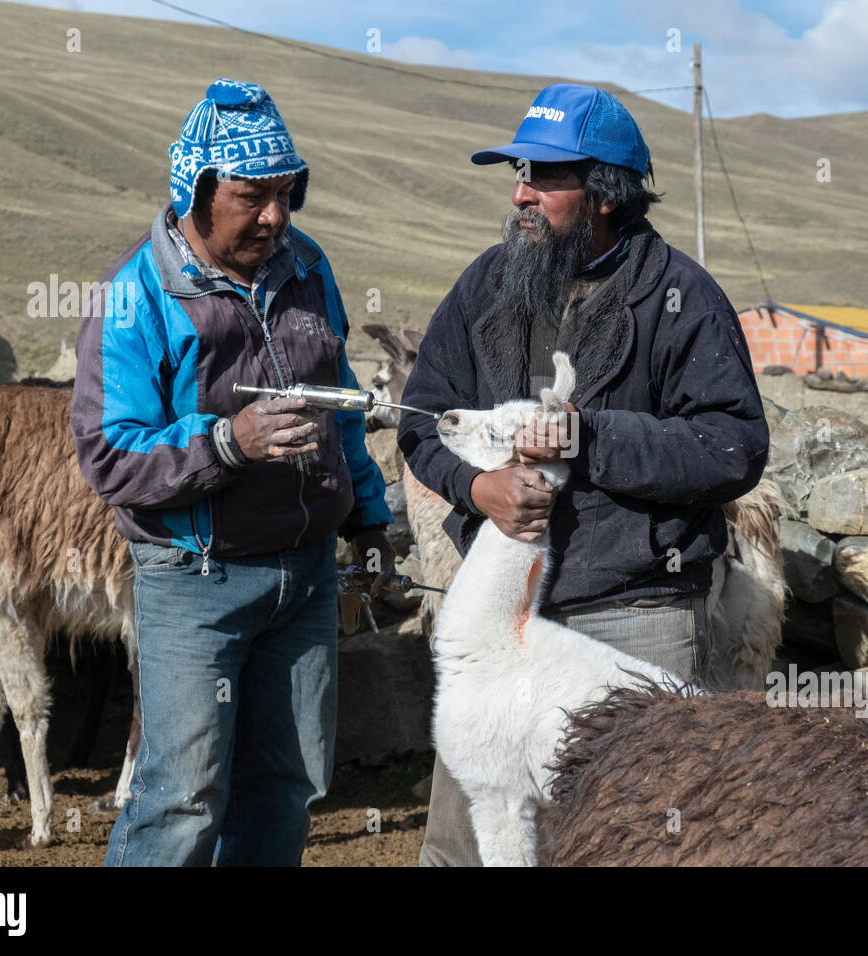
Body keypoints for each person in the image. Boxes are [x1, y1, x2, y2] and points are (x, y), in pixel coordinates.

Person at [397, 82, 770, 866]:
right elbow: (425, 418)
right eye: (520, 172)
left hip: (636, 614)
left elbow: (732, 447)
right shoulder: (487, 284)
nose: (520, 193)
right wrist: (476, 489)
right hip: (499, 625)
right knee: (468, 845)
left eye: (543, 176)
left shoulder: (682, 299)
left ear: (604, 192)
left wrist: (588, 436)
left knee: (630, 842)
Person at [71, 78, 395, 867]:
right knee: (183, 797)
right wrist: (228, 443)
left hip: (308, 576)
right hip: (195, 578)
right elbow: (109, 453)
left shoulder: (307, 267)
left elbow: (340, 404)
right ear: (196, 189)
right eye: (253, 197)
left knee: (286, 784)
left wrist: (373, 522)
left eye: (287, 195)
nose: (275, 218)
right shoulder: (134, 297)